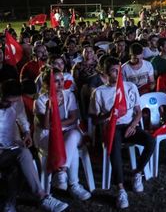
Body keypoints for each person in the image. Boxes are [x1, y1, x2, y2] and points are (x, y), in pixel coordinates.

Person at [89, 57, 155, 209]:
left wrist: (133, 124)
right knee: (115, 148)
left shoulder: (130, 86)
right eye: (113, 71)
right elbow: (95, 119)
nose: (117, 73)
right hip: (113, 127)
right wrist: (108, 115)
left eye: (118, 70)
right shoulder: (99, 92)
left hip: (129, 125)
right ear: (105, 73)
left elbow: (138, 111)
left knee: (150, 140)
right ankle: (120, 189)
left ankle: (137, 172)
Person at [0, 79, 69, 212]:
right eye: (8, 102)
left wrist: (26, 132)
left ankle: (13, 202)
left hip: (11, 146)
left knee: (19, 161)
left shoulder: (17, 101)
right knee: (22, 156)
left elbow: (21, 118)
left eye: (14, 102)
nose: (11, 105)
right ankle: (38, 198)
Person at [34, 67, 92, 201]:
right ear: (47, 84)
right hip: (47, 136)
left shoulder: (69, 95)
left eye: (62, 80)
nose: (60, 84)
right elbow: (46, 126)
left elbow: (73, 117)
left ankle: (61, 171)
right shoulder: (40, 101)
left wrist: (58, 124)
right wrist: (49, 110)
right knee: (71, 145)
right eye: (56, 81)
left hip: (68, 132)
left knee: (72, 136)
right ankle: (74, 185)